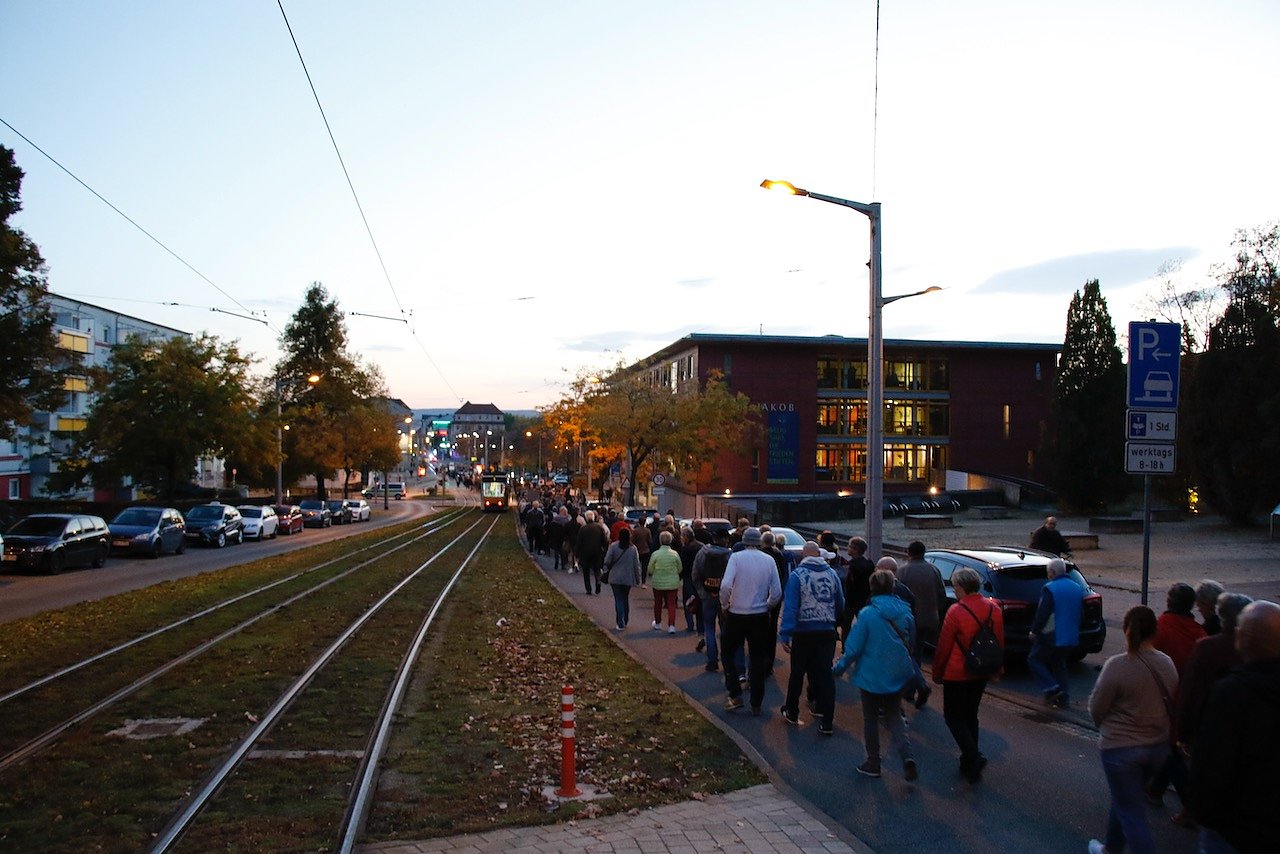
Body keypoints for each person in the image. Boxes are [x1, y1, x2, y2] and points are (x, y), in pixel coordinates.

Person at [1190, 600, 1280, 854]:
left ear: (1246, 638)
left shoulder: (1232, 692)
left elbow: (1212, 763)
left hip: (1235, 831)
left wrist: (1206, 815)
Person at [1086, 606, 1178, 854]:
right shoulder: (1166, 662)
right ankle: (1111, 847)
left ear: (1126, 629)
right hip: (1157, 748)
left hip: (1121, 749)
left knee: (1131, 811)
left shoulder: (1117, 665)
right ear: (1155, 631)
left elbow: (1096, 707)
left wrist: (1104, 727)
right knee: (1126, 798)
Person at [833, 569, 918, 780]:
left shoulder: (868, 614)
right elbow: (912, 642)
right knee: (894, 715)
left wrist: (839, 668)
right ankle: (907, 756)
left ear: (872, 587)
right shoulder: (905, 611)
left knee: (870, 718)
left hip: (871, 674)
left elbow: (853, 648)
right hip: (897, 672)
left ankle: (873, 762)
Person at [932, 566, 1004, 783]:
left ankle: (973, 756)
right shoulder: (994, 609)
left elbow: (944, 645)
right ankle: (968, 761)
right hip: (981, 671)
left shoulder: (956, 611)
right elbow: (998, 642)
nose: (954, 590)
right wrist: (996, 669)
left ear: (962, 587)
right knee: (971, 715)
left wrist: (937, 672)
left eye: (955, 586)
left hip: (957, 672)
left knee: (953, 717)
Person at [779, 541, 844, 734]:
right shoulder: (832, 574)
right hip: (826, 630)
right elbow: (840, 602)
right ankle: (826, 719)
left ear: (803, 555)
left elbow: (791, 607)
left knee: (798, 672)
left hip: (804, 631)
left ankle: (792, 710)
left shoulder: (797, 575)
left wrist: (786, 633)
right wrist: (832, 619)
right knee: (825, 674)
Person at [718, 527, 782, 715]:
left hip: (737, 613)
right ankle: (756, 702)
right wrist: (768, 606)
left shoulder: (736, 558)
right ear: (759, 542)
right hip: (759, 615)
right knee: (757, 658)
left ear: (744, 541)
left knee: (728, 652)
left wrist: (725, 605)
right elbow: (777, 592)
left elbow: (726, 585)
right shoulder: (769, 560)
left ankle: (735, 693)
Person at [1027, 557, 1086, 708]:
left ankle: (1052, 689)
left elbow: (1043, 613)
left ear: (1052, 572)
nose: (1048, 575)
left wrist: (1034, 631)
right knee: (1059, 664)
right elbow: (1081, 613)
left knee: (1034, 659)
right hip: (1071, 634)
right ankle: (1063, 698)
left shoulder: (1050, 588)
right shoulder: (1076, 587)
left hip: (1052, 634)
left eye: (1048, 572)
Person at [895, 540, 946, 706]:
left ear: (909, 552)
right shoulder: (934, 570)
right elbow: (942, 595)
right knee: (918, 651)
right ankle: (914, 687)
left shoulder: (903, 571)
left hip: (909, 619)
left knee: (909, 654)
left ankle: (916, 686)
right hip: (929, 618)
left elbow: (898, 596)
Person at [691, 528, 733, 672]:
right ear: (726, 540)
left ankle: (712, 660)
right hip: (724, 597)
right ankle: (727, 661)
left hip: (707, 596)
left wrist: (702, 593)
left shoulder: (702, 553)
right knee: (725, 629)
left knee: (709, 628)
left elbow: (695, 575)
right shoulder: (730, 556)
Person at [602, 527, 641, 632]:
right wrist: (638, 579)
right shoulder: (633, 548)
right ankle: (626, 620)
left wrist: (605, 569)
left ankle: (620, 622)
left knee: (618, 599)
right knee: (625, 598)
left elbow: (607, 560)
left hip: (615, 577)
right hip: (628, 577)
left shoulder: (614, 546)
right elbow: (636, 565)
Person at [648, 530, 683, 633]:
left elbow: (650, 569)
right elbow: (680, 568)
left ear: (660, 541)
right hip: (672, 582)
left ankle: (658, 623)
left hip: (658, 582)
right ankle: (671, 626)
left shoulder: (655, 554)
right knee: (671, 604)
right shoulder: (675, 554)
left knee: (658, 603)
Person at [842, 537, 875, 642]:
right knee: (865, 625)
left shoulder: (851, 566)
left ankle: (846, 646)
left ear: (855, 550)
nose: (847, 548)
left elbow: (848, 583)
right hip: (865, 599)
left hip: (851, 601)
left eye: (849, 546)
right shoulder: (869, 564)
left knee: (846, 626)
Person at [574, 510, 610, 595]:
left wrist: (577, 554)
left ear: (586, 518)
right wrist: (604, 549)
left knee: (586, 571)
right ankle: (598, 582)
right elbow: (605, 540)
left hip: (585, 553)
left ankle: (588, 589)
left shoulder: (583, 528)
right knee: (597, 569)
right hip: (597, 552)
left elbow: (579, 542)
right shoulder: (599, 527)